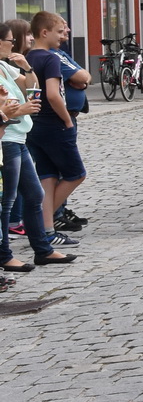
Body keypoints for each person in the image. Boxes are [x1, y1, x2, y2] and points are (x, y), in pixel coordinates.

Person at [0, 20, 70, 271]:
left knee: (34, 195)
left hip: (18, 138)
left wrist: (27, 67)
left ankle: (43, 250)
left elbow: (33, 89)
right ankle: (4, 255)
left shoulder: (5, 68)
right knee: (7, 202)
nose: (14, 44)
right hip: (6, 141)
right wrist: (22, 109)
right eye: (9, 41)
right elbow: (4, 111)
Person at [23, 13, 84, 245]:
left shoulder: (29, 58)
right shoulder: (51, 59)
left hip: (35, 124)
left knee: (47, 177)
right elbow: (52, 94)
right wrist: (67, 121)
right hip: (53, 124)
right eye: (59, 32)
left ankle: (48, 231)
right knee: (76, 174)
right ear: (44, 32)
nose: (63, 36)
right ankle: (40, 222)